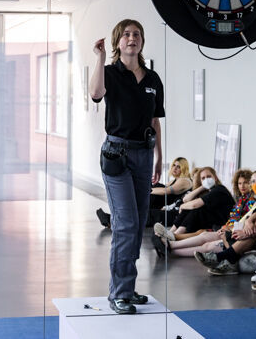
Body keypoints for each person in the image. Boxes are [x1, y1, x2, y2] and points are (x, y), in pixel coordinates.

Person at [88, 19, 164, 315]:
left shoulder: (152, 78)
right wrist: (99, 58)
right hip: (116, 154)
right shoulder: (110, 72)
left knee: (139, 222)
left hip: (144, 155)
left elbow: (155, 121)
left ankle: (128, 289)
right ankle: (119, 293)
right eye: (127, 34)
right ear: (118, 42)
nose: (132, 38)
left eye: (137, 34)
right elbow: (96, 94)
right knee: (126, 223)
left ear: (142, 41)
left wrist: (159, 157)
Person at [158, 169, 256, 265]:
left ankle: (171, 244)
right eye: (239, 183)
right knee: (203, 234)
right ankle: (170, 242)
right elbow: (186, 200)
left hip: (230, 230)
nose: (242, 186)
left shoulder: (248, 200)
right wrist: (202, 187)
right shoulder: (242, 199)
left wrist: (228, 228)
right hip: (227, 228)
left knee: (205, 242)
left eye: (245, 183)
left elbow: (244, 222)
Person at [96, 156, 193, 229]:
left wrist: (147, 190)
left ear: (184, 168)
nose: (175, 168)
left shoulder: (185, 181)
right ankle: (112, 219)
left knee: (144, 212)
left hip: (172, 210)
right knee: (140, 208)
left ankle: (112, 221)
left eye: (178, 167)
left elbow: (165, 191)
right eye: (174, 165)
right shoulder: (174, 180)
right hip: (163, 205)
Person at [153, 166, 234, 240]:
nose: (206, 180)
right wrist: (203, 186)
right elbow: (186, 200)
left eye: (209, 177)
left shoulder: (219, 189)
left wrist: (182, 206)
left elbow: (195, 205)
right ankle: (171, 232)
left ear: (215, 178)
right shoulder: (209, 191)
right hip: (213, 220)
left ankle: (175, 235)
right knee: (188, 207)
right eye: (203, 178)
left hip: (222, 223)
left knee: (195, 209)